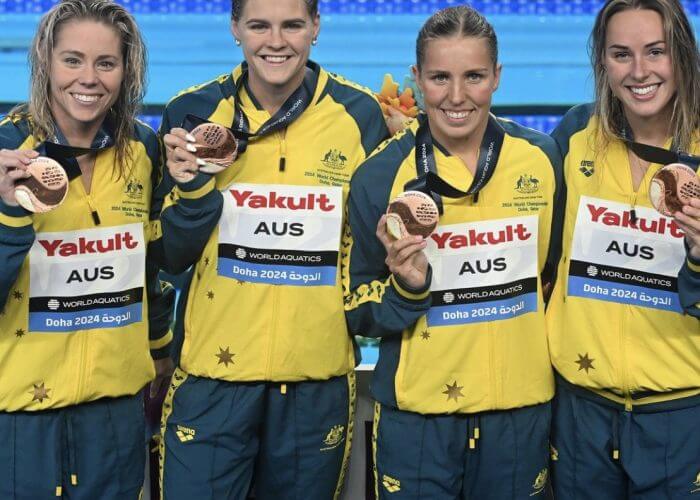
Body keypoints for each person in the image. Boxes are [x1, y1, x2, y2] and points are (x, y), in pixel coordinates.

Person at [154, 0, 388, 498]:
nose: (276, 41)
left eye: (292, 25)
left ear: (316, 28)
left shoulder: (361, 115)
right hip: (212, 377)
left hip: (315, 380)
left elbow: (371, 246)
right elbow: (169, 259)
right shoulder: (191, 115)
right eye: (259, 25)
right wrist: (192, 190)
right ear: (235, 28)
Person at [344, 6, 563, 499]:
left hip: (519, 412)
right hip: (417, 419)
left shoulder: (541, 158)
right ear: (417, 79)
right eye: (440, 77)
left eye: (474, 76)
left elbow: (551, 276)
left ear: (497, 78)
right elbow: (353, 306)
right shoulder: (379, 177)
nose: (457, 96)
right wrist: (406, 287)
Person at [0, 1, 174, 498]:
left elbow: (149, 266)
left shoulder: (144, 150)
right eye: (72, 60)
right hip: (20, 411)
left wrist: (159, 347)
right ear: (44, 62)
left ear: (127, 70)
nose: (89, 78)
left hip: (114, 408)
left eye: (106, 63)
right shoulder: (7, 152)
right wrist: (10, 213)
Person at [547, 0, 700, 497]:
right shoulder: (574, 136)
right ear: (602, 62)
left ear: (682, 53)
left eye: (655, 52)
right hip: (581, 414)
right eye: (621, 54)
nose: (639, 72)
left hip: (681, 414)